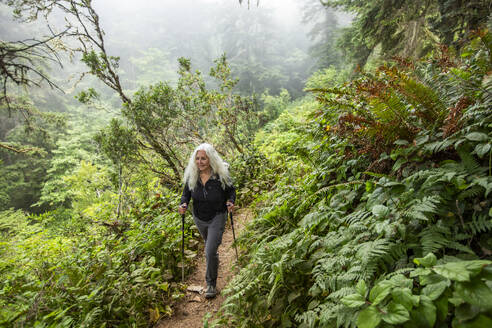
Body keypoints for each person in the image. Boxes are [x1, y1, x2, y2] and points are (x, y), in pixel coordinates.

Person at [178, 143, 235, 299]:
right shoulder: (192, 176)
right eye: (197, 158)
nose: (200, 162)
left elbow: (231, 191)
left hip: (218, 215)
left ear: (210, 159)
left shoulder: (220, 175)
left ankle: (211, 284)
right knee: (211, 249)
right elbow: (185, 195)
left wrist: (231, 201)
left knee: (209, 250)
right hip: (199, 217)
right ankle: (213, 262)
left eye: (203, 158)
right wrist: (183, 204)